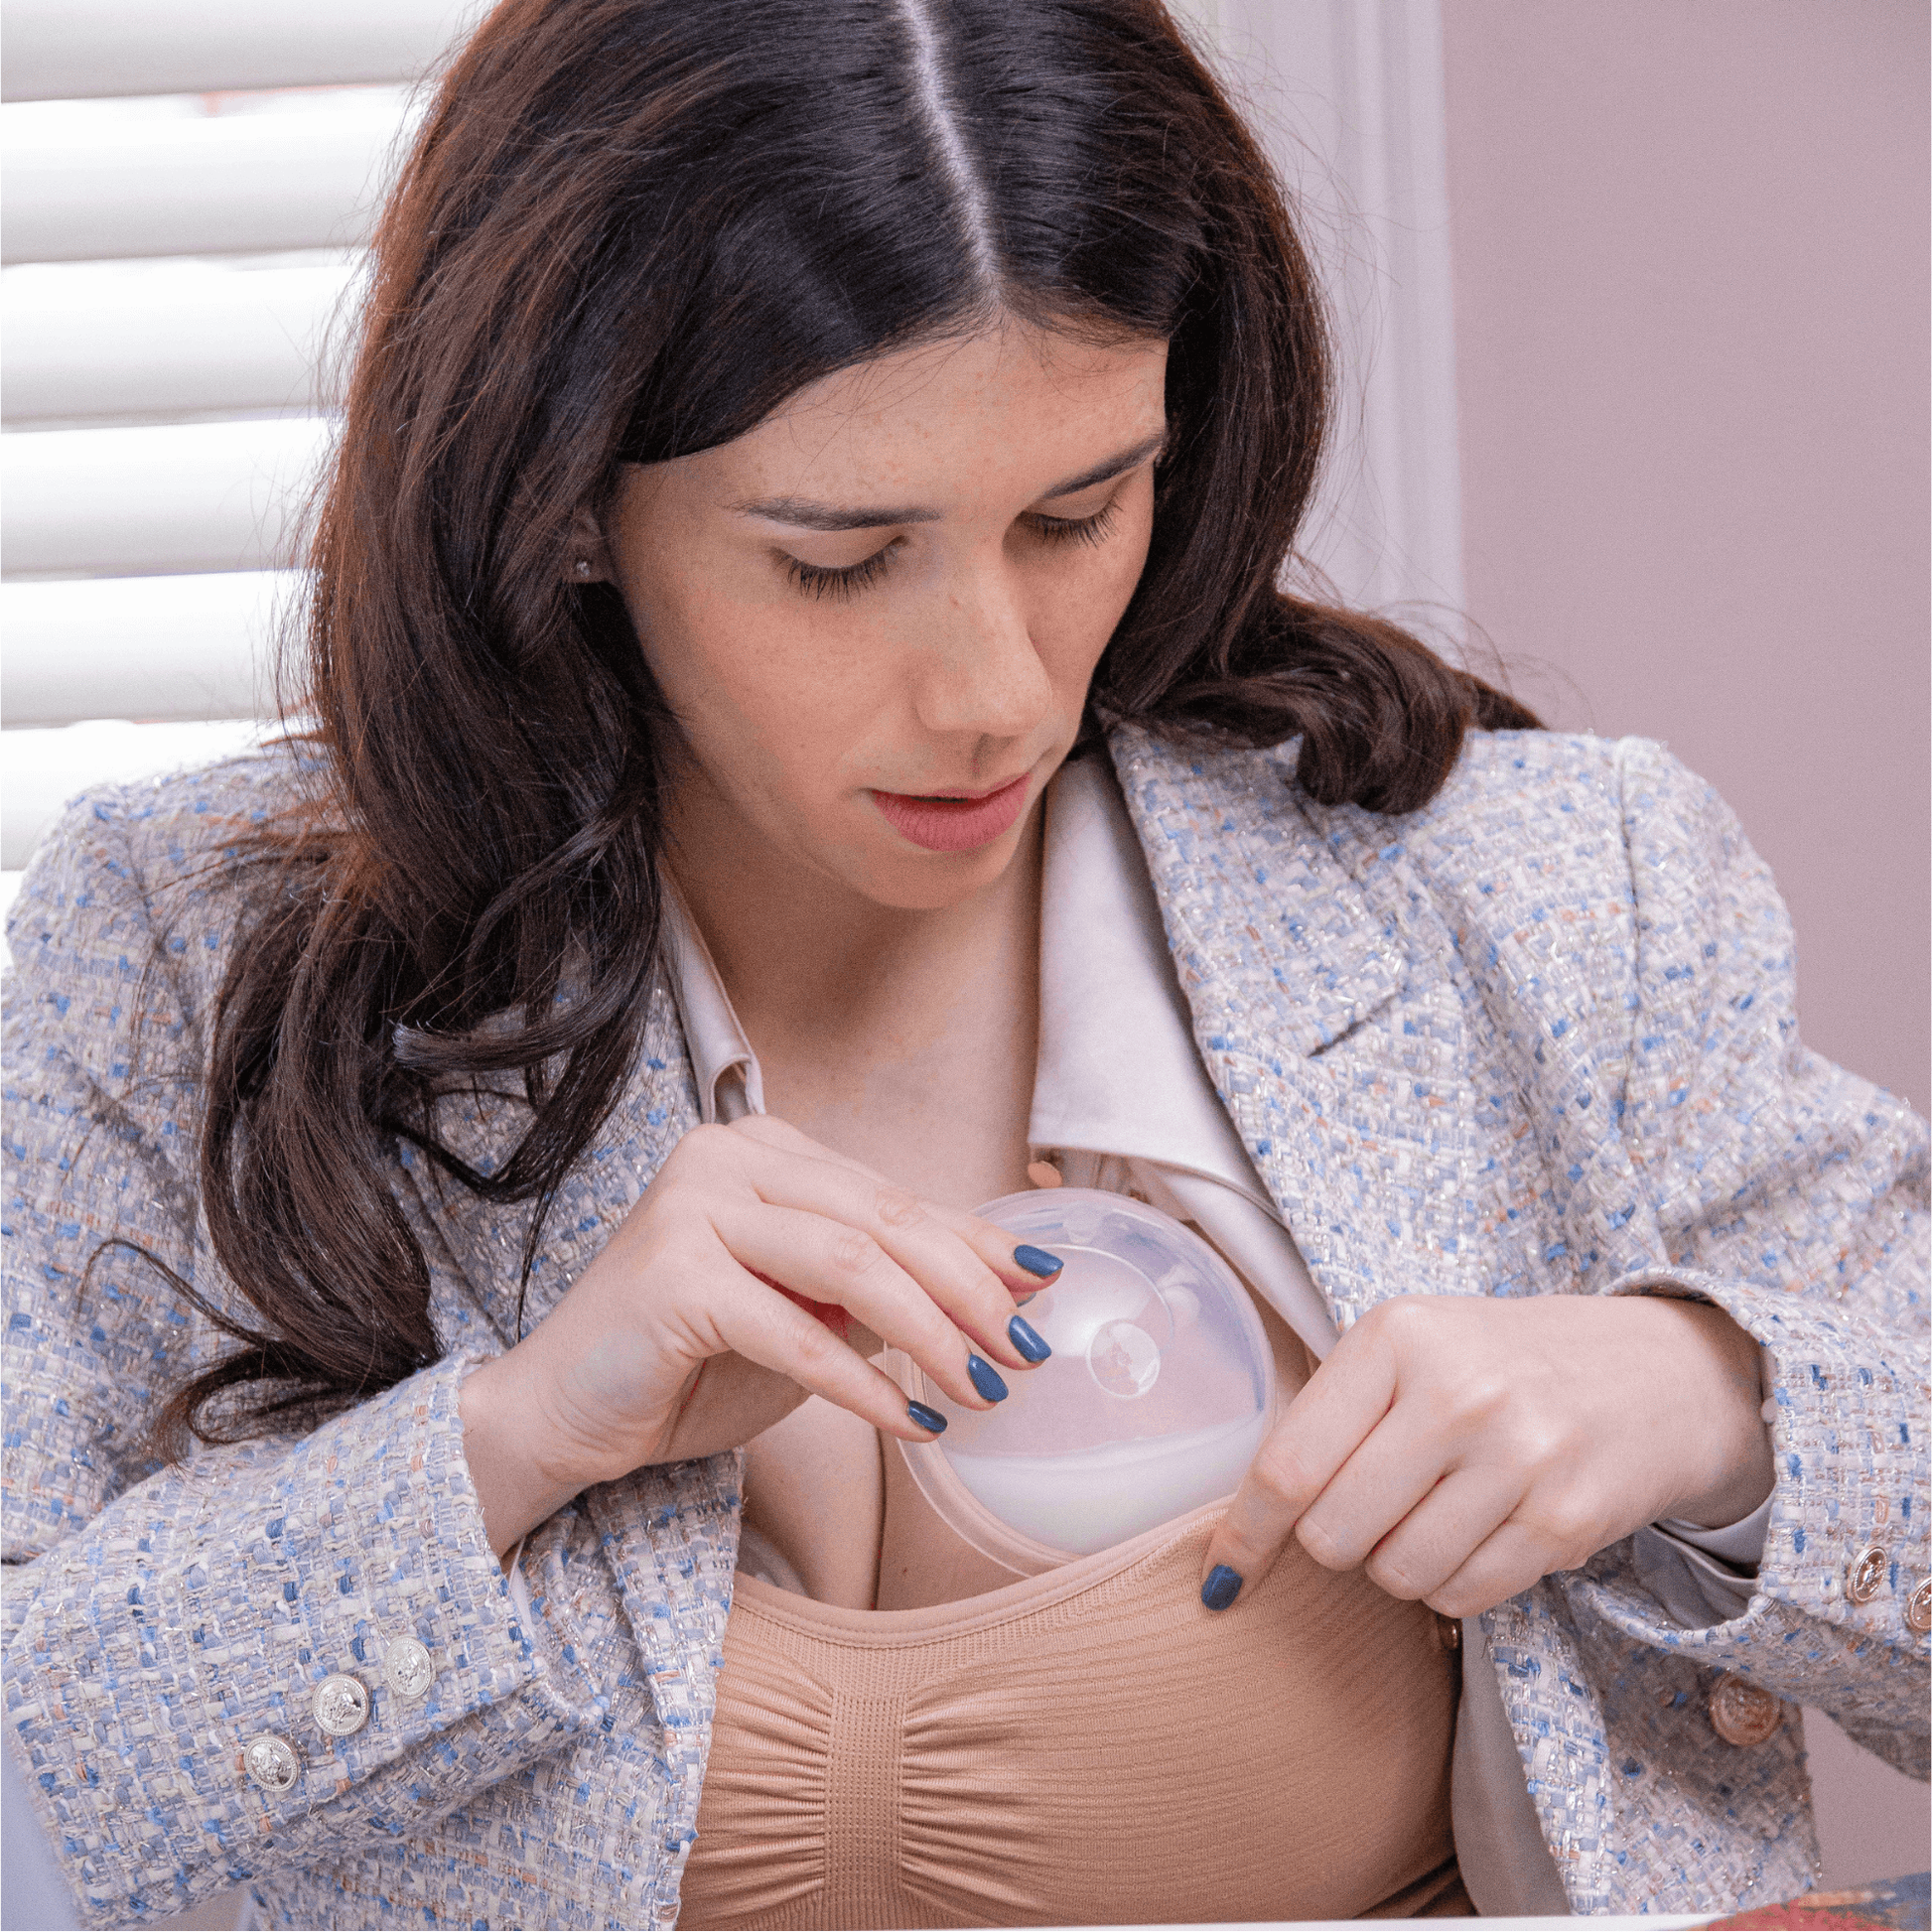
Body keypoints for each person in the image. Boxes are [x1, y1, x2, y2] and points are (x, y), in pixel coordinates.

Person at [3, 0, 1925, 1924]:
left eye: (1076, 512)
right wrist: (509, 1441)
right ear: (566, 498)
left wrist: (1714, 1402)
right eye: (838, 560)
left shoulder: (1530, 891)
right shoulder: (182, 966)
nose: (996, 689)